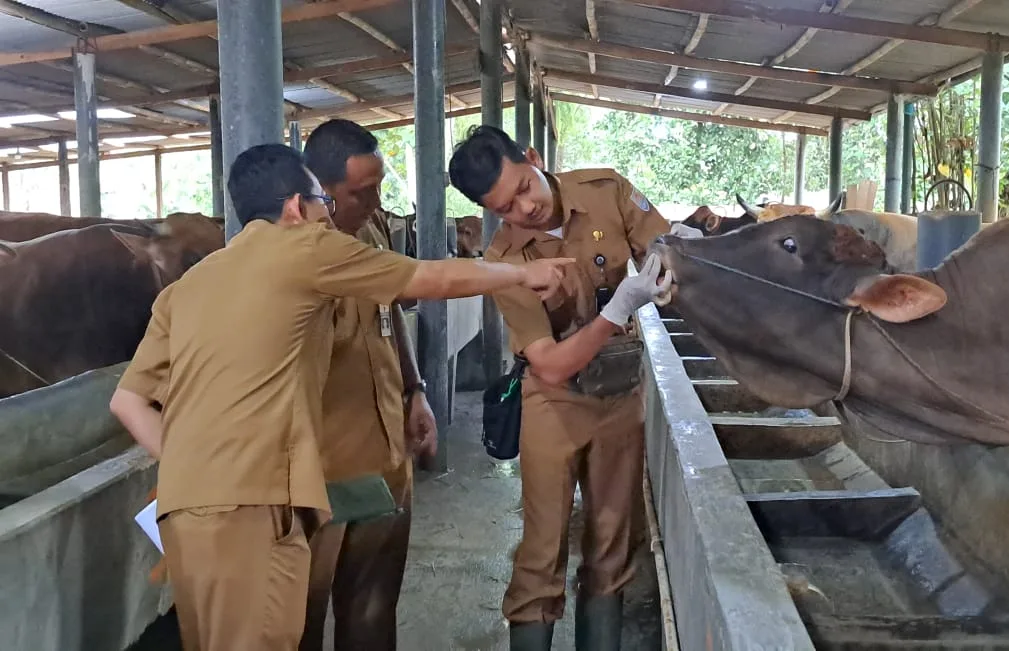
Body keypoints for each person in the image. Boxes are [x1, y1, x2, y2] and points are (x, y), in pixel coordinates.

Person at [108, 143, 573, 651]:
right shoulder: (304, 247)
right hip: (255, 506)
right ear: (294, 207)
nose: (326, 216)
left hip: (185, 510)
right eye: (320, 204)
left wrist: (198, 469)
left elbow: (127, 402)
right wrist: (524, 272)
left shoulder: (187, 286)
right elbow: (429, 277)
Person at [448, 125, 699, 650]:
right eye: (506, 208)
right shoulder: (506, 260)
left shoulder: (605, 190)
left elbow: (663, 248)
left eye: (523, 188)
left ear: (534, 159)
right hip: (553, 407)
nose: (524, 209)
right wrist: (617, 311)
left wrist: (678, 255)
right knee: (542, 550)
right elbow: (552, 366)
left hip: (619, 396)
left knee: (611, 546)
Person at [296, 118, 428, 650]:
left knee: (374, 606)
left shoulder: (369, 231)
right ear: (322, 192)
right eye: (360, 193)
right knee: (302, 616)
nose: (375, 204)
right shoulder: (295, 253)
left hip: (387, 456)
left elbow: (391, 311)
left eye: (377, 189)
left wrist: (416, 390)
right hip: (322, 475)